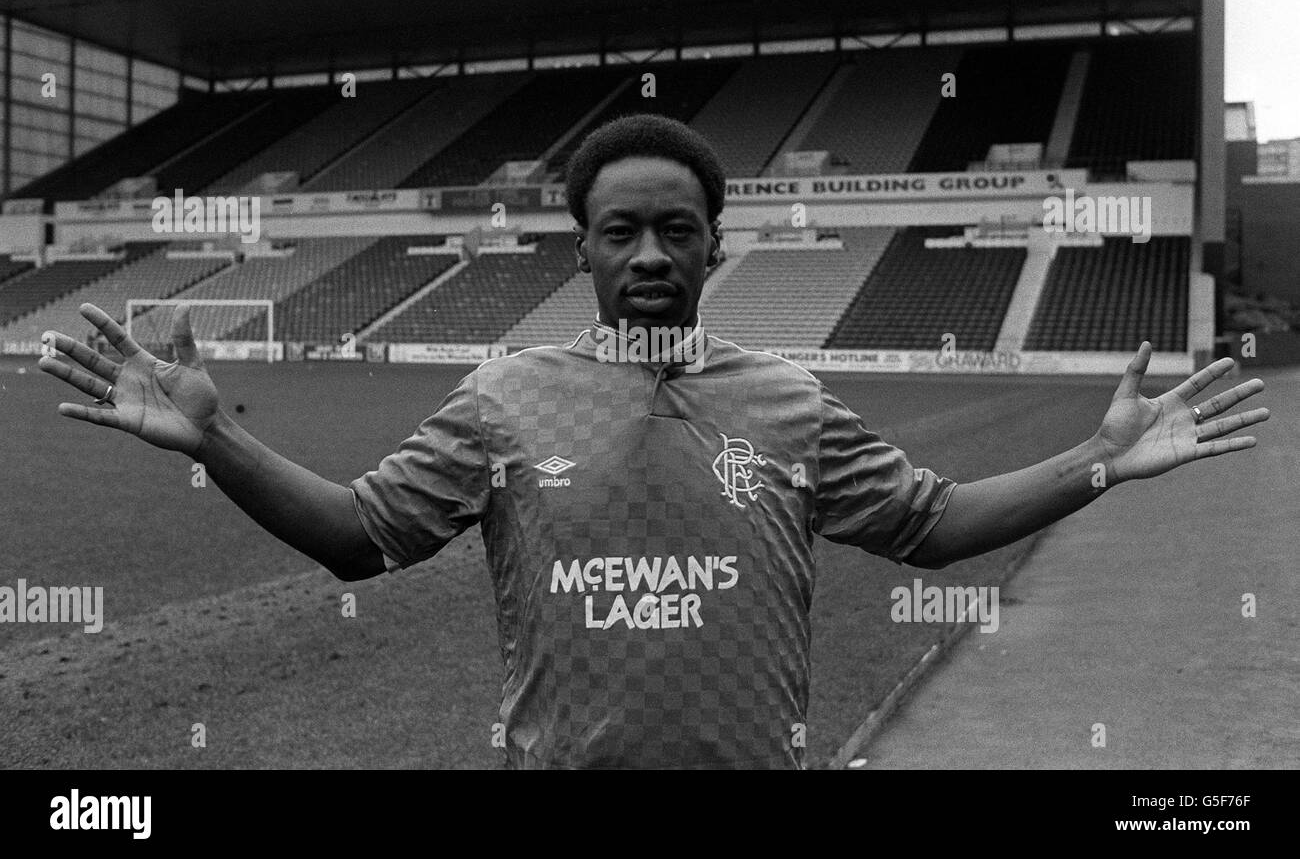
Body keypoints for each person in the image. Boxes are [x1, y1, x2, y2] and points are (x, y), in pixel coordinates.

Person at [38, 114, 1268, 769]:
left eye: (675, 231)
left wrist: (1101, 460)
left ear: (714, 246)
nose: (647, 256)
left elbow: (931, 528)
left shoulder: (788, 399)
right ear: (581, 248)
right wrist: (215, 442)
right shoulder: (505, 392)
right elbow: (365, 539)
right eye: (619, 231)